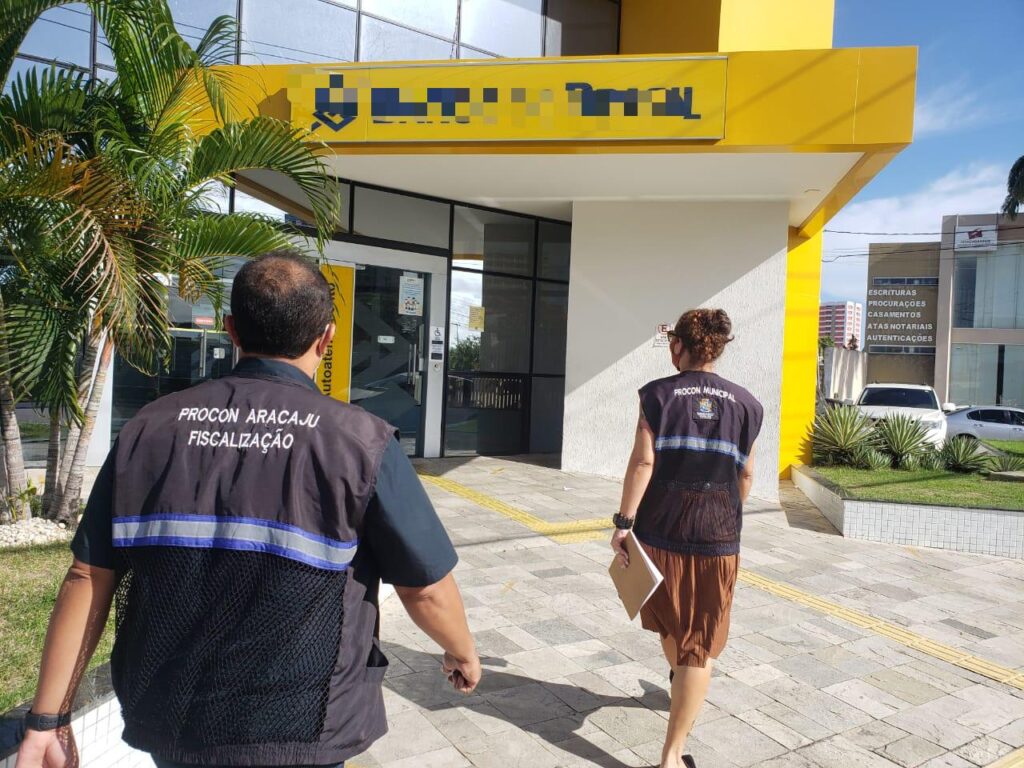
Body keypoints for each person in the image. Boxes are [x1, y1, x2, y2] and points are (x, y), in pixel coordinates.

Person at [17, 250, 481, 768]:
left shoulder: (148, 429)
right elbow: (426, 590)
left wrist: (47, 719)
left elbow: (88, 575)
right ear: (326, 338)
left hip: (175, 720)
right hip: (301, 727)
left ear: (231, 330)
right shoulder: (360, 442)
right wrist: (462, 650)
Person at [610, 309, 762, 768]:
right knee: (697, 642)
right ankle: (676, 742)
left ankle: (672, 754)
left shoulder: (657, 395)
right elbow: (746, 475)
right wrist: (726, 513)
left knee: (673, 627)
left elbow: (643, 463)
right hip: (716, 539)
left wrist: (623, 523)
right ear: (717, 348)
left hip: (659, 534)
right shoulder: (747, 404)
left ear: (680, 345)